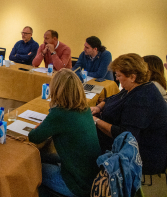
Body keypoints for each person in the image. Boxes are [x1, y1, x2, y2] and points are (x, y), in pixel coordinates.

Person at [29, 69, 101, 197]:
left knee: (29, 169)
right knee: (43, 155)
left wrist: (40, 126)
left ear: (56, 89)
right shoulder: (84, 108)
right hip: (89, 177)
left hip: (75, 184)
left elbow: (34, 137)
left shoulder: (60, 113)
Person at [91, 53, 167, 174]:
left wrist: (95, 121)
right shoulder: (135, 87)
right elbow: (113, 98)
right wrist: (99, 107)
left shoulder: (142, 98)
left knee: (86, 141)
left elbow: (125, 135)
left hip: (142, 154)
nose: (116, 78)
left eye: (119, 75)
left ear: (132, 77)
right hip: (126, 142)